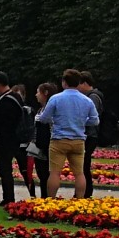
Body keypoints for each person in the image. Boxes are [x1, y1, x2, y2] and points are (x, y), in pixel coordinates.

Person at [36, 68, 99, 199]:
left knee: (54, 173)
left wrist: (55, 120)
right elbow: (95, 120)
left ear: (64, 82)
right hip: (78, 140)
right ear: (78, 82)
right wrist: (81, 122)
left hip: (59, 139)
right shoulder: (86, 100)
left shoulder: (56, 98)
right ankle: (80, 200)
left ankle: (51, 199)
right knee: (79, 173)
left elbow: (44, 118)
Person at [0, 73, 25, 209]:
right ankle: (9, 197)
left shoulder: (6, 101)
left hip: (6, 140)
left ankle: (8, 198)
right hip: (15, 139)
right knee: (14, 170)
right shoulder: (16, 97)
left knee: (5, 170)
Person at [81, 72, 118, 198]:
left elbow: (93, 116)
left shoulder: (93, 97)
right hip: (91, 134)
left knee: (83, 165)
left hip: (90, 135)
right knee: (83, 165)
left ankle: (85, 192)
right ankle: (84, 191)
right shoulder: (94, 96)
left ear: (85, 83)